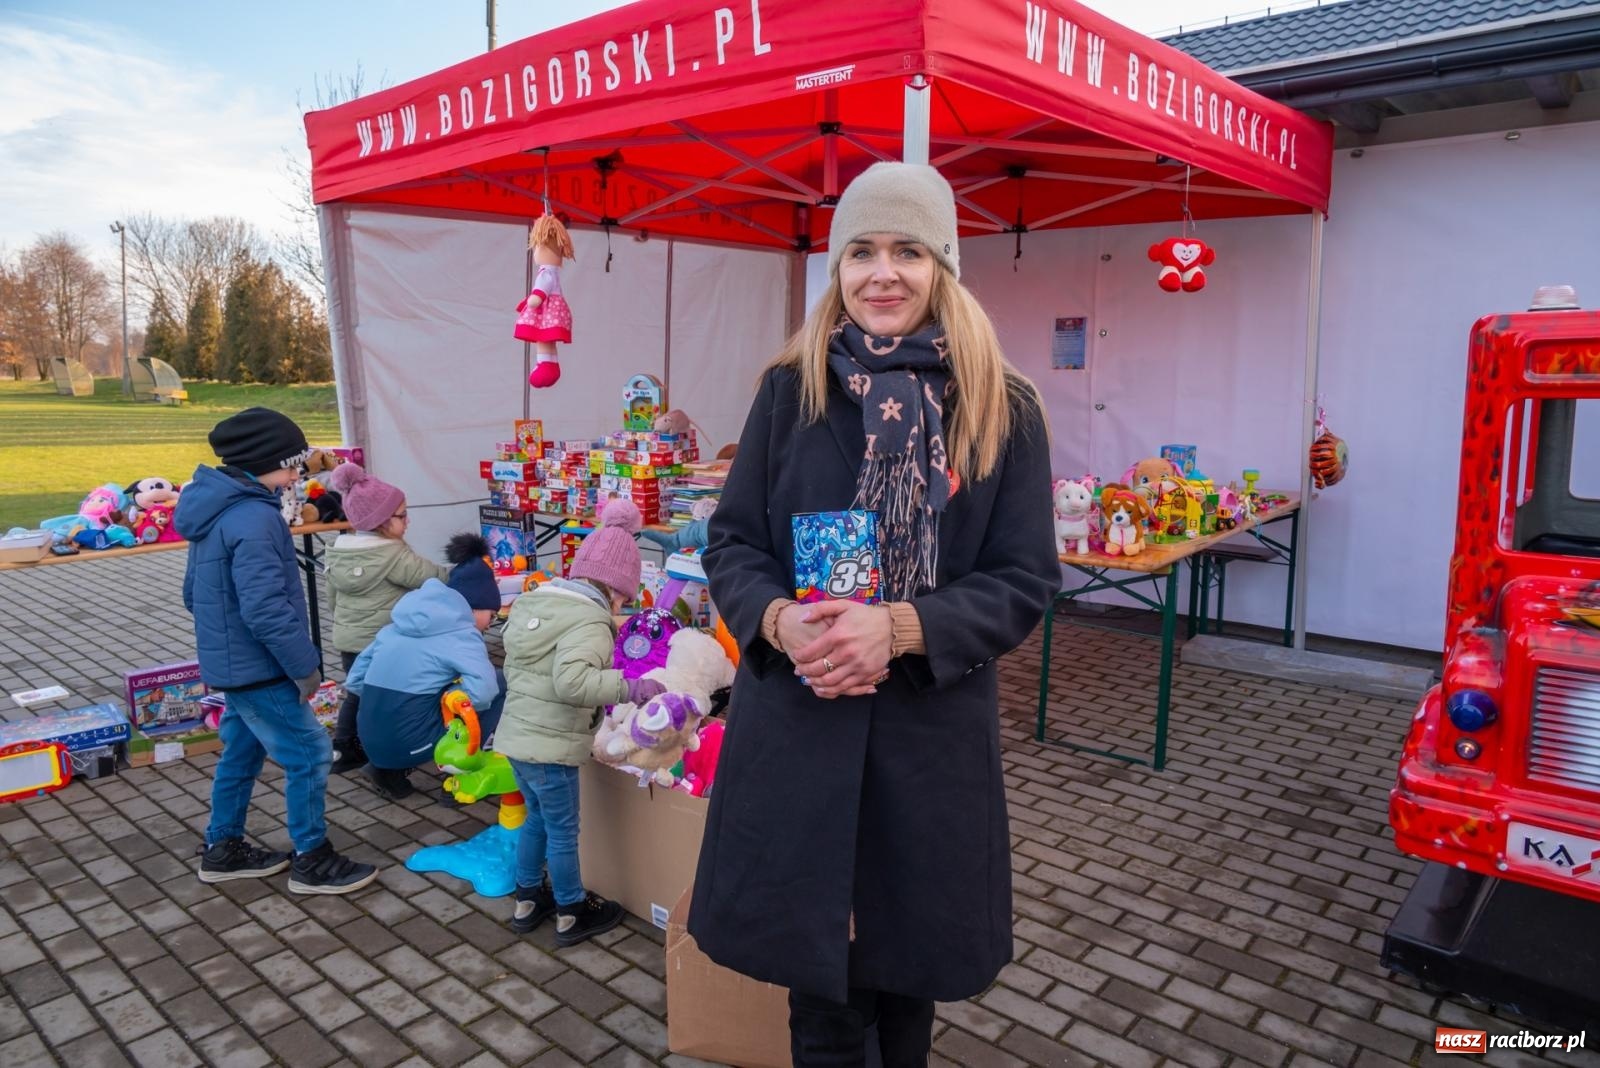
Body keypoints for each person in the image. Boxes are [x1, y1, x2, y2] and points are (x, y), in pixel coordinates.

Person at [689, 162, 1060, 1066]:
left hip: (922, 745)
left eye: (906, 251)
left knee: (903, 984)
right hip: (800, 729)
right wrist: (775, 620)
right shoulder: (791, 391)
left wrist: (898, 628)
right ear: (837, 268)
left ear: (943, 266)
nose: (881, 273)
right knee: (821, 1000)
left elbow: (1023, 579)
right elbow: (734, 543)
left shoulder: (1003, 409)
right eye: (860, 251)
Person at [176, 406, 378, 895]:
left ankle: (222, 848)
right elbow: (265, 610)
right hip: (260, 666)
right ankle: (312, 857)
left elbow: (192, 594)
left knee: (242, 751)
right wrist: (304, 666)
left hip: (234, 662)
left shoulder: (216, 508)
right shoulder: (254, 517)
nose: (295, 475)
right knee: (309, 752)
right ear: (261, 462)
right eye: (289, 465)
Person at [493, 498, 667, 945]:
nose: (624, 605)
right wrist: (630, 688)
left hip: (517, 736)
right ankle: (571, 909)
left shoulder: (538, 606)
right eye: (626, 597)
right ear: (615, 588)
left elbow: (520, 670)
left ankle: (528, 898)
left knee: (536, 819)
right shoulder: (590, 620)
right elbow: (573, 683)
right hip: (551, 747)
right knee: (564, 830)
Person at [344, 534, 504, 800]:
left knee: (439, 689)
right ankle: (462, 773)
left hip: (369, 740)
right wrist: (448, 702)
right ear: (475, 607)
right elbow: (484, 692)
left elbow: (355, 680)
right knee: (500, 682)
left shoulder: (394, 627)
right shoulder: (462, 634)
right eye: (492, 614)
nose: (490, 623)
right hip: (412, 743)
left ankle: (387, 767)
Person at [322, 462, 450, 775]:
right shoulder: (394, 555)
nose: (408, 521)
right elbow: (434, 578)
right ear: (381, 521)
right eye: (402, 515)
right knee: (389, 701)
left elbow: (332, 599)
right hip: (384, 643)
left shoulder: (339, 551)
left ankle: (344, 746)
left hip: (350, 640)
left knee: (358, 692)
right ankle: (385, 759)